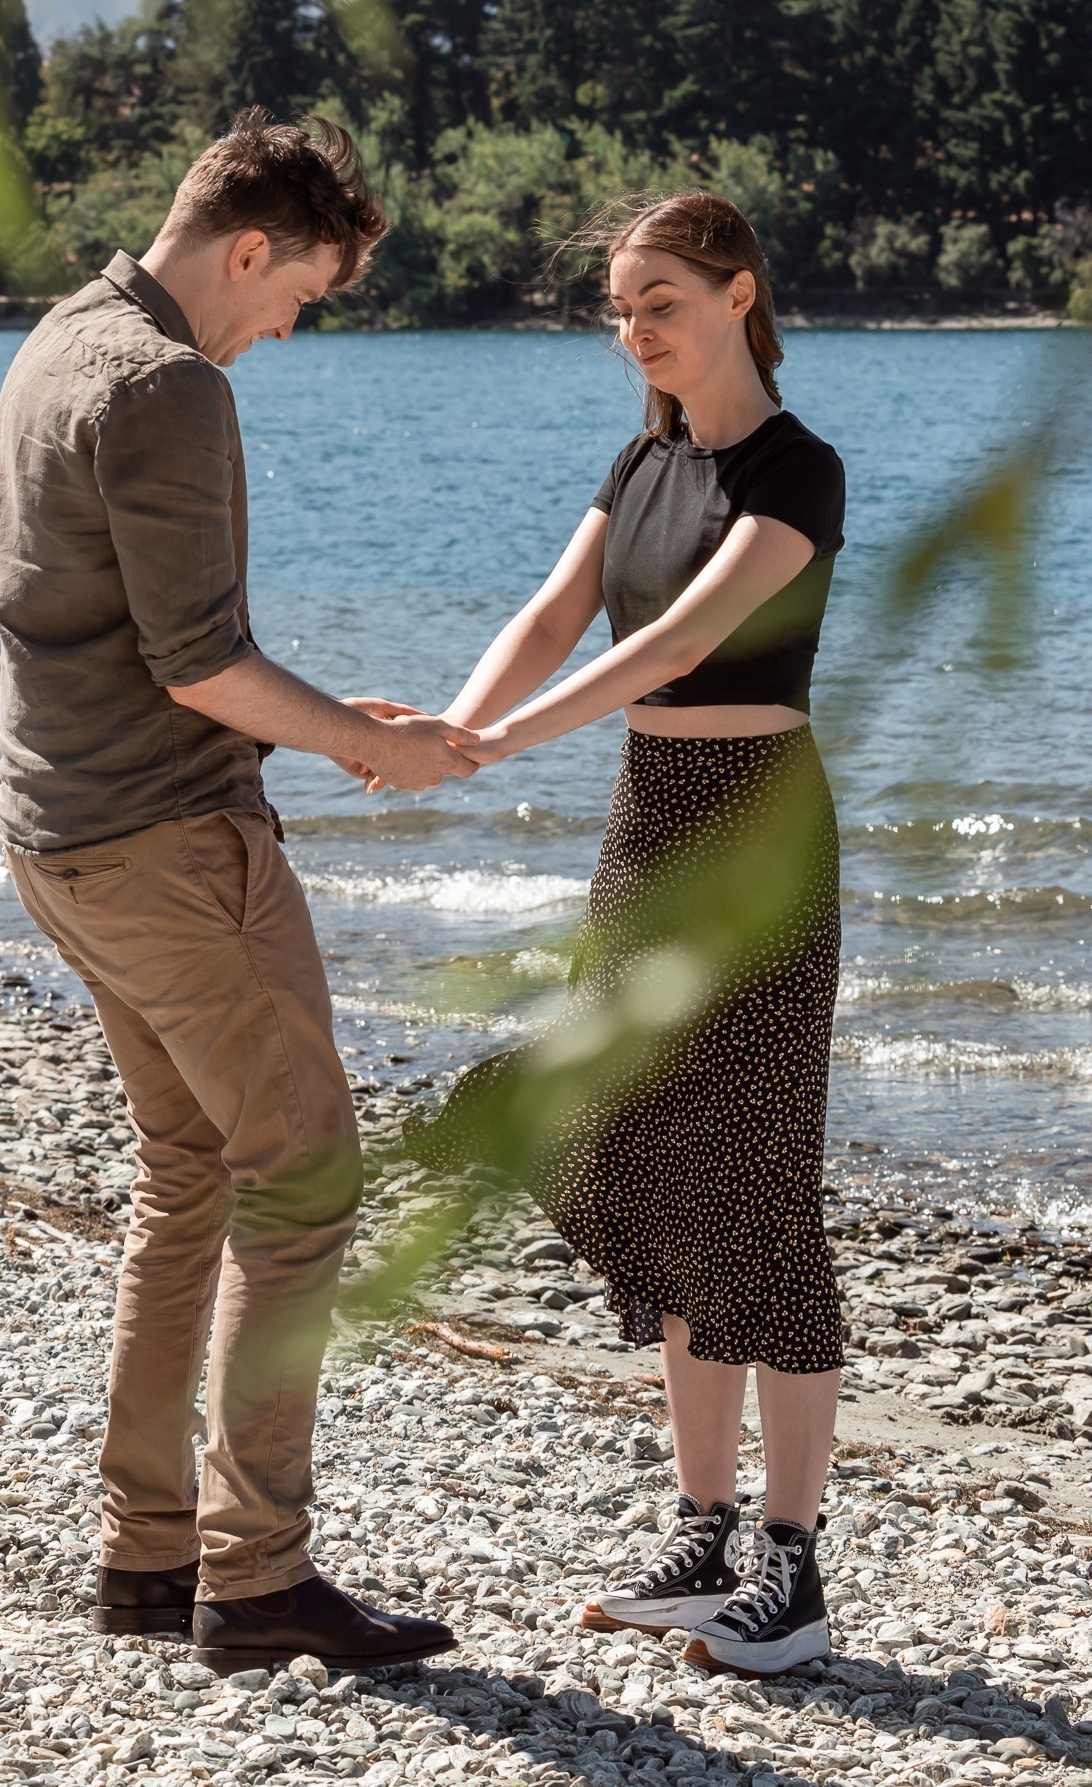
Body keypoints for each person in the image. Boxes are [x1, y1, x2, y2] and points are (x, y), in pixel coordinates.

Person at [0, 109, 473, 1673]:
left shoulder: (60, 341)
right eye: (301, 297)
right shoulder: (168, 382)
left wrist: (328, 718)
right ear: (249, 247)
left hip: (60, 837)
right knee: (306, 1174)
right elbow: (199, 665)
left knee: (188, 1173)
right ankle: (255, 1579)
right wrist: (370, 749)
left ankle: (146, 1557)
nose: (285, 333)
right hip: (171, 850)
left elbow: (128, 634)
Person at [407, 191, 847, 1678]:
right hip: (646, 820)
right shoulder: (644, 460)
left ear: (738, 295)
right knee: (649, 1160)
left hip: (757, 834)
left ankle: (792, 1565)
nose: (636, 330)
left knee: (759, 1178)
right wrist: (452, 727)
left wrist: (498, 743)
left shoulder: (797, 468)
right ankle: (702, 1532)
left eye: (661, 301)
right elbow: (555, 616)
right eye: (620, 309)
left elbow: (677, 643)